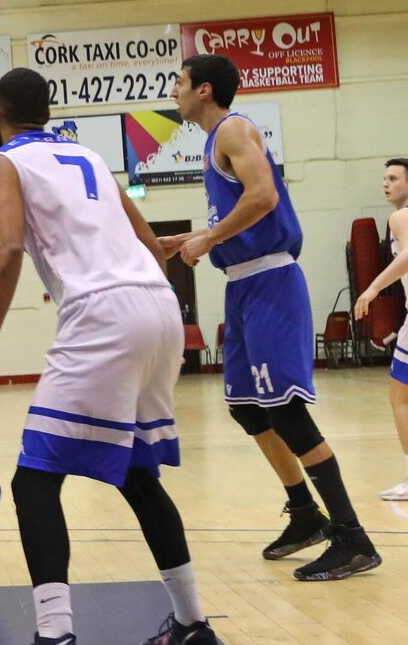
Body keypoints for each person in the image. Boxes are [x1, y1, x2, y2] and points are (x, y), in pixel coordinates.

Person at [0, 67, 218, 645]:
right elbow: (149, 245)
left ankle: (55, 635)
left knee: (34, 482)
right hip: (159, 304)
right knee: (136, 474)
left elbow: (6, 248)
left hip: (105, 315)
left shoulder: (2, 162)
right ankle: (193, 624)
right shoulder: (91, 158)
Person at [162, 54, 380, 580]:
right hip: (242, 285)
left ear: (205, 91)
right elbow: (238, 209)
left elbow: (263, 197)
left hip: (271, 281)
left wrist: (208, 238)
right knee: (249, 410)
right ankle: (305, 513)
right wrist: (187, 239)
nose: (174, 91)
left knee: (286, 412)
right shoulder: (214, 143)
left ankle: (353, 537)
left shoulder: (234, 130)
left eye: (180, 82)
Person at [355, 157, 408, 500]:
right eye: (384, 178)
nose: (385, 183)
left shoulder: (400, 216)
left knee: (400, 394)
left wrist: (373, 288)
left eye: (393, 178)